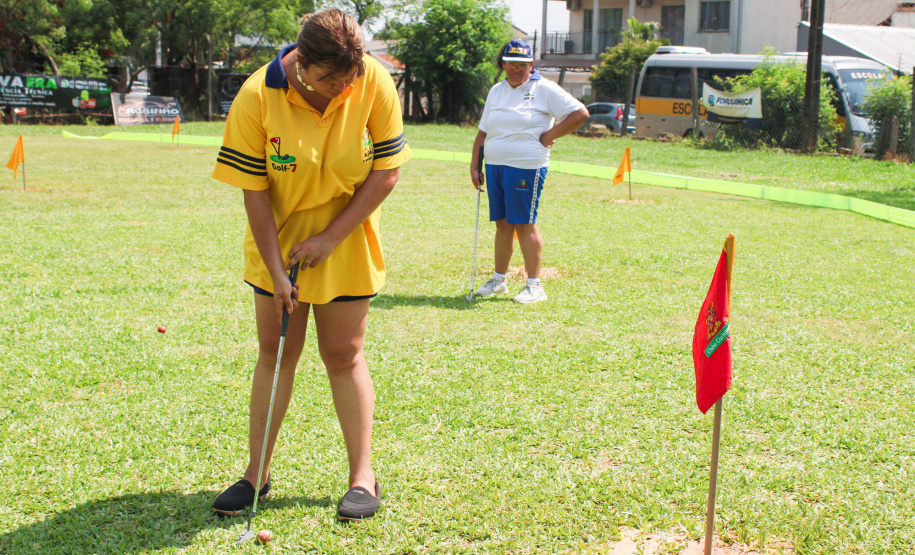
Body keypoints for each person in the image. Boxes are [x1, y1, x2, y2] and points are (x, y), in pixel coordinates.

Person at [210, 8, 410, 521]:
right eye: (330, 78)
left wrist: (330, 237)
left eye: (351, 76)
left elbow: (386, 172)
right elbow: (253, 192)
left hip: (346, 238)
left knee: (344, 353)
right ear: (301, 62)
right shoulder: (258, 95)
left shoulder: (372, 80)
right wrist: (277, 273)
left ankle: (362, 477)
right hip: (277, 246)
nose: (344, 87)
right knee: (276, 354)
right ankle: (256, 473)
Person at [470, 39, 588, 303]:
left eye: (522, 64)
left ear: (531, 65)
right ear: (503, 64)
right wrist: (475, 164)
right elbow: (482, 133)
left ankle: (535, 286)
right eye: (511, 63)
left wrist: (549, 136)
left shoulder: (544, 88)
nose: (516, 68)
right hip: (496, 165)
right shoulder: (496, 91)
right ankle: (499, 280)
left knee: (524, 223)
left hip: (526, 166)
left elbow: (580, 113)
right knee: (502, 224)